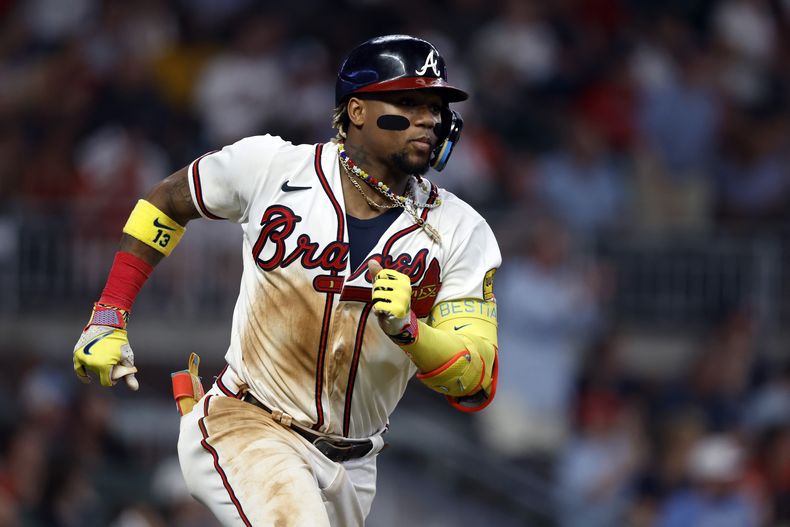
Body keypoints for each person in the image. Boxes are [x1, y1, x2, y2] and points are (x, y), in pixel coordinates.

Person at [72, 34, 501, 527]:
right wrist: (109, 313)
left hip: (353, 465)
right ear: (357, 111)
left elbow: (475, 381)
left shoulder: (460, 230)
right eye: (409, 101)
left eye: (435, 105)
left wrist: (411, 330)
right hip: (247, 422)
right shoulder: (271, 167)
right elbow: (167, 200)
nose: (429, 117)